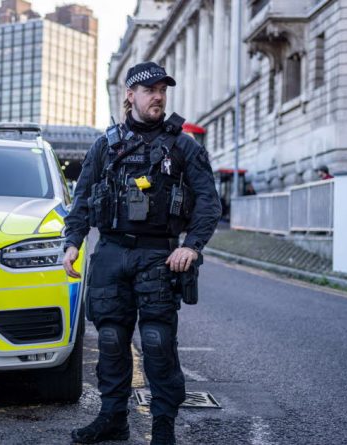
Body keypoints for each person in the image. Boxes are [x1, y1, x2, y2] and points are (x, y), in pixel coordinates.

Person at [63, 62, 221, 445]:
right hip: (112, 253)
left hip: (158, 255)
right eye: (150, 89)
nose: (158, 96)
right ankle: (112, 418)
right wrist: (73, 242)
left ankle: (163, 427)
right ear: (130, 95)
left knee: (156, 341)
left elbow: (209, 203)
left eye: (163, 90)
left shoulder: (183, 145)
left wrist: (191, 246)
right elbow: (82, 198)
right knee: (111, 340)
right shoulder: (105, 145)